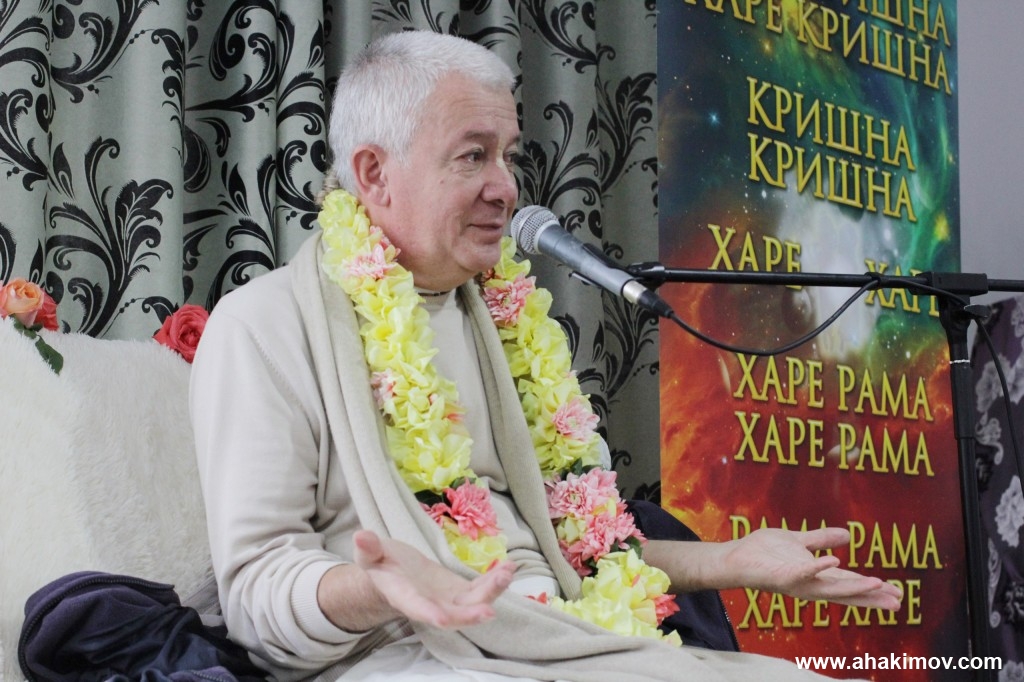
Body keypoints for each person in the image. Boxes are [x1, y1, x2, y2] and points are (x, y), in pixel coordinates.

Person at [190, 30, 901, 682]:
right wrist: (379, 588)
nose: (505, 187)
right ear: (374, 173)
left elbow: (579, 552)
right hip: (414, 655)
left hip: (568, 637)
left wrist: (734, 560)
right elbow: (254, 595)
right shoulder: (265, 326)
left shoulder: (504, 321)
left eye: (509, 156)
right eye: (473, 155)